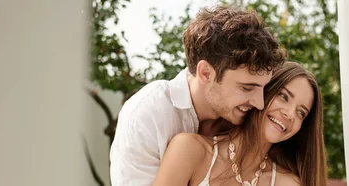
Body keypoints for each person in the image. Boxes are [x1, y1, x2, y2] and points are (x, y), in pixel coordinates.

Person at [109, 5, 287, 186]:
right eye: (247, 88)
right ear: (205, 73)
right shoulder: (147, 115)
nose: (259, 103)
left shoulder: (246, 118)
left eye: (263, 88)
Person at [152, 62, 327, 186]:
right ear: (261, 93)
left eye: (301, 113)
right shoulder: (190, 150)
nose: (290, 114)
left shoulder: (289, 183)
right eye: (283, 97)